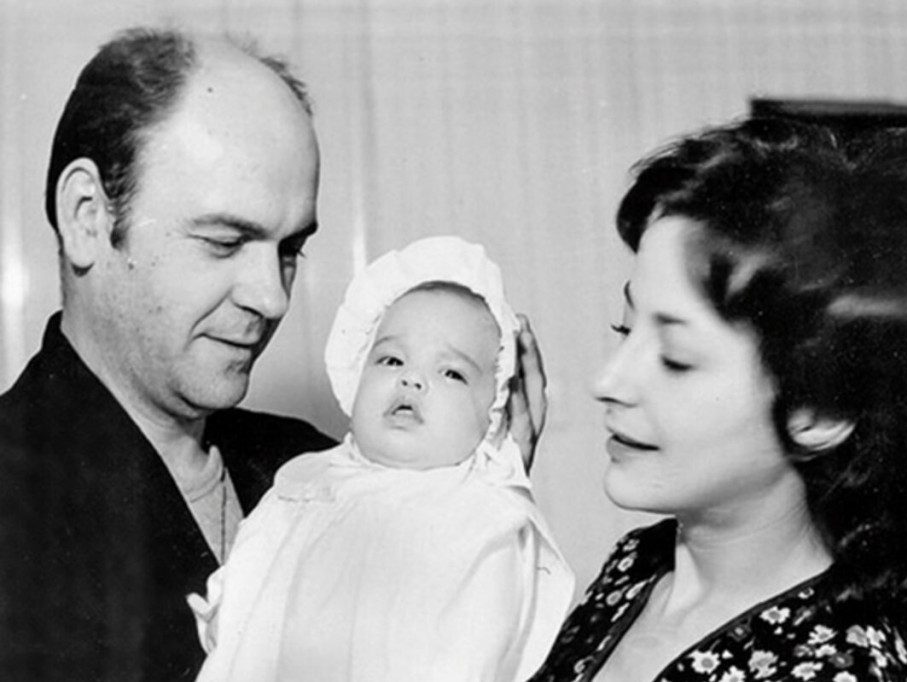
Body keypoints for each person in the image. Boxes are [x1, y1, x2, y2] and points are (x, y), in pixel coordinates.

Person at [529, 117, 907, 681]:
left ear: (820, 410)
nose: (609, 381)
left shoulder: (838, 671)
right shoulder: (640, 566)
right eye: (626, 330)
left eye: (676, 356)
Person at [0, 26, 336, 681]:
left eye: (290, 249)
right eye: (223, 242)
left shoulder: (321, 470)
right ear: (88, 216)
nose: (272, 298)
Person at [188, 236, 574, 682]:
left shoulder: (484, 516)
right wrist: (228, 612)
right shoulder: (308, 481)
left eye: (451, 372)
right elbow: (257, 558)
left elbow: (479, 647)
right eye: (391, 360)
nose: (411, 379)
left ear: (495, 414)